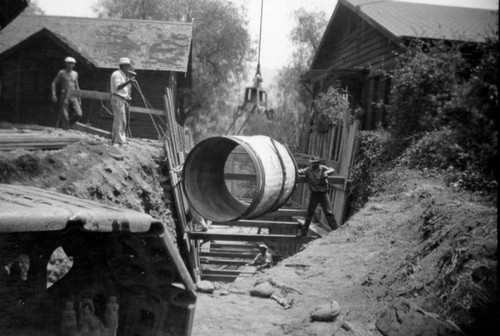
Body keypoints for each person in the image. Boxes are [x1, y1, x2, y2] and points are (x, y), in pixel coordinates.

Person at [297, 157, 338, 237]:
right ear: (311, 163)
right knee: (310, 213)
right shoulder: (308, 170)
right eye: (313, 162)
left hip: (323, 193)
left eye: (316, 162)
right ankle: (303, 232)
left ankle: (336, 231)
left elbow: (332, 169)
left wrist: (327, 173)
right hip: (314, 194)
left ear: (318, 163)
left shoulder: (323, 168)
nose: (315, 164)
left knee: (329, 212)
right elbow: (300, 171)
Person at [110, 57, 136, 146]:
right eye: (128, 66)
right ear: (123, 66)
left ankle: (116, 140)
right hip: (117, 99)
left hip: (122, 99)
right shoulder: (117, 74)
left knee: (122, 121)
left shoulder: (124, 75)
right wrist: (128, 81)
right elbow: (118, 87)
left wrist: (129, 82)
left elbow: (125, 90)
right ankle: (118, 142)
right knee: (119, 121)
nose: (129, 68)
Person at [51, 56, 82, 129]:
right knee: (65, 115)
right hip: (65, 94)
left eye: (72, 64)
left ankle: (68, 125)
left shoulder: (75, 73)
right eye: (69, 63)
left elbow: (77, 86)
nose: (71, 65)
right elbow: (54, 83)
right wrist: (54, 94)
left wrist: (79, 98)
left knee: (79, 114)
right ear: (66, 64)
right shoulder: (62, 73)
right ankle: (65, 128)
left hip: (74, 95)